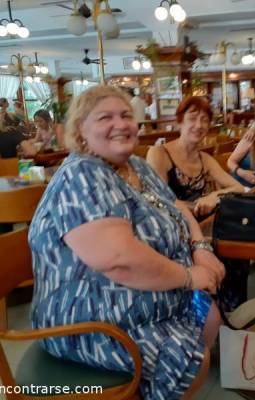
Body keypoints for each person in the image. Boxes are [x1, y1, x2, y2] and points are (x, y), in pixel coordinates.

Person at [29, 85, 225, 399]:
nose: (120, 124)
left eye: (125, 115)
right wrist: (190, 277)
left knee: (209, 312)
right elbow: (119, 259)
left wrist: (199, 248)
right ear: (81, 130)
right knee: (194, 349)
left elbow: (176, 207)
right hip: (91, 321)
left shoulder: (136, 167)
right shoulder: (82, 174)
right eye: (105, 117)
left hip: (145, 302)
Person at [147, 96, 244, 218]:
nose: (199, 125)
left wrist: (214, 197)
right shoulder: (159, 153)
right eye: (192, 119)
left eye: (204, 120)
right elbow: (158, 200)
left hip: (201, 224)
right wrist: (199, 205)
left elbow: (239, 188)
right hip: (172, 227)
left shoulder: (205, 159)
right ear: (179, 122)